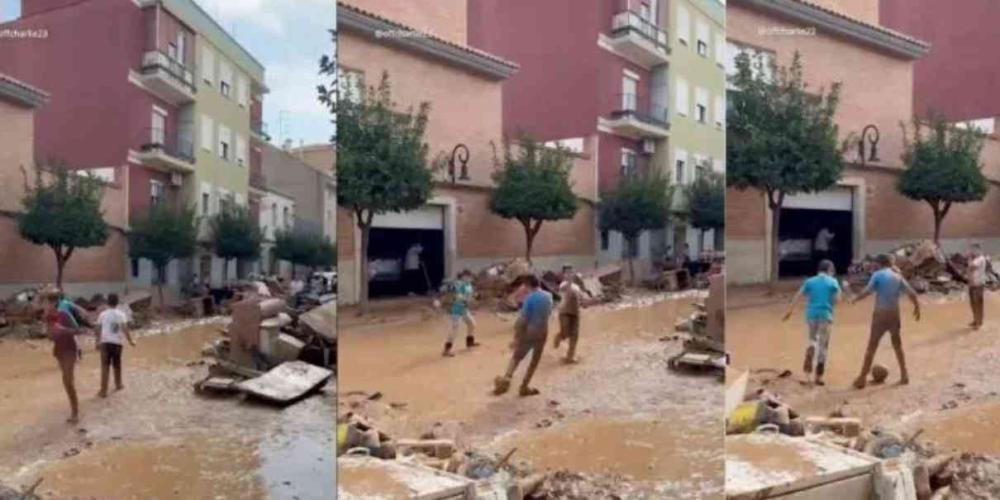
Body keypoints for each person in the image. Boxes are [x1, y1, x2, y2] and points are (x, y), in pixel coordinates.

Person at [850, 254, 921, 389]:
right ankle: (904, 374)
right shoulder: (897, 276)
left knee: (872, 346)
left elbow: (868, 291)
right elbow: (911, 293)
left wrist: (856, 298)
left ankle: (862, 378)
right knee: (897, 345)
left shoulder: (878, 275)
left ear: (879, 263)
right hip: (894, 314)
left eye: (875, 263)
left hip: (880, 313)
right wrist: (916, 307)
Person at [782, 259, 841, 386]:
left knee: (812, 340)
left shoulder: (809, 281)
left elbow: (797, 296)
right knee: (823, 346)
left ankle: (807, 373)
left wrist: (789, 312)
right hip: (826, 315)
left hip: (811, 315)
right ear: (830, 269)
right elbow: (837, 300)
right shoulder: (833, 282)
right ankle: (818, 377)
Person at [494, 275, 553, 397]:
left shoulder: (530, 299)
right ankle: (524, 386)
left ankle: (506, 379)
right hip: (543, 331)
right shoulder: (548, 296)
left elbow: (523, 320)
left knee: (517, 357)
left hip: (529, 331)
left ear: (527, 286)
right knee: (535, 361)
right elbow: (548, 314)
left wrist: (516, 338)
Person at [44, 292, 85, 423]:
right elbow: (50, 336)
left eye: (48, 303)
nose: (46, 306)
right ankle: (74, 409)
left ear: (54, 303)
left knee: (68, 381)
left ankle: (75, 413)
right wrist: (52, 333)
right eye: (45, 303)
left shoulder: (64, 315)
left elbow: (78, 330)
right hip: (59, 350)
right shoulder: (48, 317)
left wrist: (63, 330)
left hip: (70, 349)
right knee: (67, 382)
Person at [95, 293, 136, 397]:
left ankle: (103, 391)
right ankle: (118, 385)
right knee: (117, 365)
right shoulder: (121, 314)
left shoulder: (102, 314)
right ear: (117, 303)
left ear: (107, 302)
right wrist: (131, 341)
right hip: (117, 344)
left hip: (105, 343)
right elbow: (125, 329)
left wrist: (97, 342)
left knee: (105, 367)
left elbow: (98, 329)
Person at [444, 270, 478, 356]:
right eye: (466, 277)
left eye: (469, 277)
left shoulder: (469, 286)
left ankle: (469, 343)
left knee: (472, 324)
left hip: (464, 309)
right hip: (457, 309)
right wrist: (466, 300)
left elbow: (469, 296)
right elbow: (458, 296)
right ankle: (447, 349)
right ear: (463, 277)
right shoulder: (460, 285)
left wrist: (472, 298)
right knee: (455, 329)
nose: (468, 279)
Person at [553, 265, 583, 364]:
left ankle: (570, 356)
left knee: (575, 335)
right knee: (565, 333)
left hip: (576, 312)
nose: (570, 274)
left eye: (571, 272)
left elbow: (581, 300)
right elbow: (566, 290)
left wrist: (592, 301)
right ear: (563, 275)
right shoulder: (563, 285)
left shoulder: (577, 287)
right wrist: (569, 281)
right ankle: (559, 337)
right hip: (564, 312)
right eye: (567, 272)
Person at [966, 243, 988, 330]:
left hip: (978, 284)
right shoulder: (975, 259)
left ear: (978, 250)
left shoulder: (980, 259)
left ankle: (978, 322)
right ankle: (976, 320)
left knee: (977, 303)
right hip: (972, 284)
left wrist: (969, 259)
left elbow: (972, 267)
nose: (972, 252)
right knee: (973, 304)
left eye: (973, 250)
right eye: (972, 250)